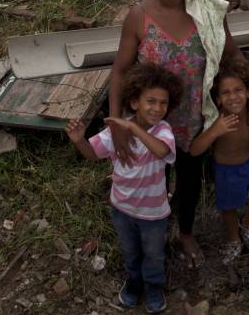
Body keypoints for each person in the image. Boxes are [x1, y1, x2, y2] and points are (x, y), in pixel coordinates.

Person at [109, 0, 249, 269]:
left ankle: (187, 231)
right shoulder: (138, 17)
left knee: (191, 178)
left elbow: (232, 54)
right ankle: (153, 229)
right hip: (151, 122)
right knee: (154, 180)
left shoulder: (206, 12)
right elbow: (120, 72)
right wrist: (116, 123)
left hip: (196, 118)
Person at [65, 62, 184, 313]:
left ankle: (153, 286)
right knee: (131, 252)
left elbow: (162, 151)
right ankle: (133, 281)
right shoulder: (116, 132)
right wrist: (79, 141)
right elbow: (93, 154)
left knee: (153, 255)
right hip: (122, 208)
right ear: (133, 103)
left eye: (163, 103)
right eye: (150, 101)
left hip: (153, 214)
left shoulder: (163, 130)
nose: (157, 108)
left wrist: (132, 127)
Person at [190, 57, 249, 265]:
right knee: (229, 209)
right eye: (225, 92)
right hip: (226, 171)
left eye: (238, 90)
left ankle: (246, 224)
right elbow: (194, 150)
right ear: (217, 98)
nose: (233, 97)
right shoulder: (216, 119)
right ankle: (234, 238)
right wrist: (214, 131)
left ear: (247, 92)